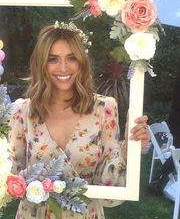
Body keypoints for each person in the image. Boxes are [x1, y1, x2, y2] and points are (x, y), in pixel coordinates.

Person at [9, 22, 150, 219]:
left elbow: (109, 192)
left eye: (71, 58)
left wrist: (130, 147)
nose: (63, 67)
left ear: (81, 62)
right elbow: (10, 177)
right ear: (41, 63)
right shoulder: (23, 111)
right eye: (53, 59)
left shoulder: (104, 109)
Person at [148, 68, 180, 195]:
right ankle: (158, 180)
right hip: (178, 118)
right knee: (178, 150)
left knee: (177, 149)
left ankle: (158, 180)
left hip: (175, 116)